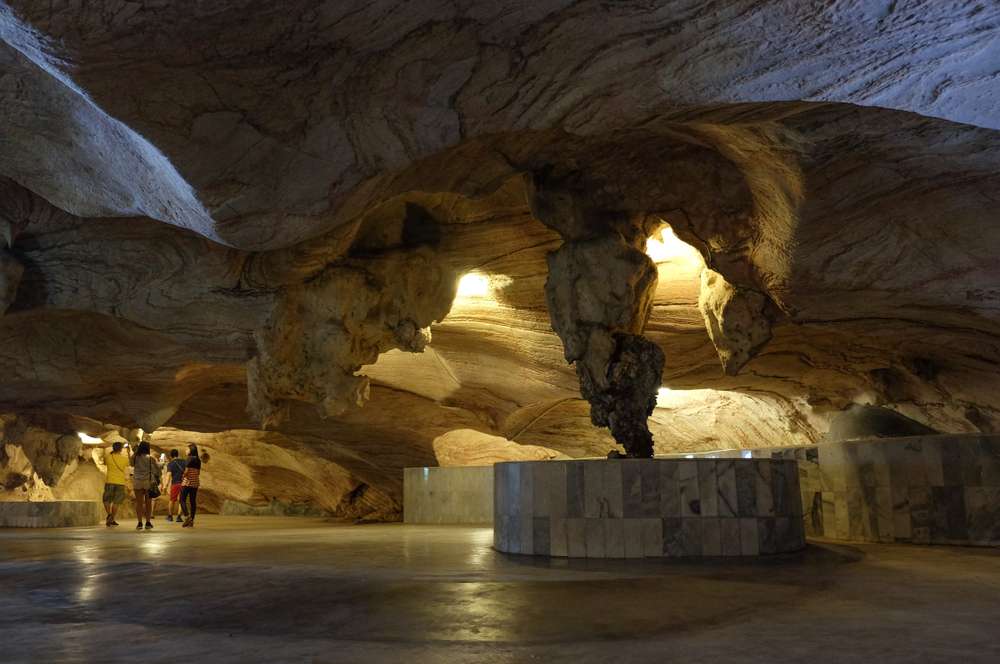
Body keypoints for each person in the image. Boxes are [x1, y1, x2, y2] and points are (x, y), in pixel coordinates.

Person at [130, 441, 161, 531]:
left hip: (137, 482)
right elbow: (157, 471)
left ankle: (139, 523)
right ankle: (148, 522)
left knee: (139, 503)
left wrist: (135, 452)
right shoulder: (151, 458)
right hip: (148, 482)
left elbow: (131, 464)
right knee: (148, 503)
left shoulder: (135, 457)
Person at [101, 442, 130, 527]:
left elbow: (105, 461)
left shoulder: (108, 457)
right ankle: (112, 518)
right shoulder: (124, 459)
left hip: (110, 481)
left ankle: (110, 516)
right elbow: (129, 464)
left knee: (106, 500)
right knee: (116, 502)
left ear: (113, 448)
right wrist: (128, 451)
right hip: (120, 482)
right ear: (121, 449)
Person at [180, 444, 204, 528]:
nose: (186, 451)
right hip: (195, 482)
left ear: (191, 450)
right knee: (192, 501)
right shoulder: (198, 460)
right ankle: (192, 520)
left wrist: (183, 475)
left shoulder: (189, 459)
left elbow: (186, 471)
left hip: (187, 482)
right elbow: (198, 472)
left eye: (187, 449)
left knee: (182, 500)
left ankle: (187, 517)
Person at [165, 449, 187, 523]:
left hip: (175, 484)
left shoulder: (170, 464)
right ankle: (179, 517)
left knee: (172, 500)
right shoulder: (184, 462)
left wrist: (165, 485)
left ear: (171, 456)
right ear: (177, 454)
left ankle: (170, 516)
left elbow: (168, 475)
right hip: (183, 484)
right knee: (181, 500)